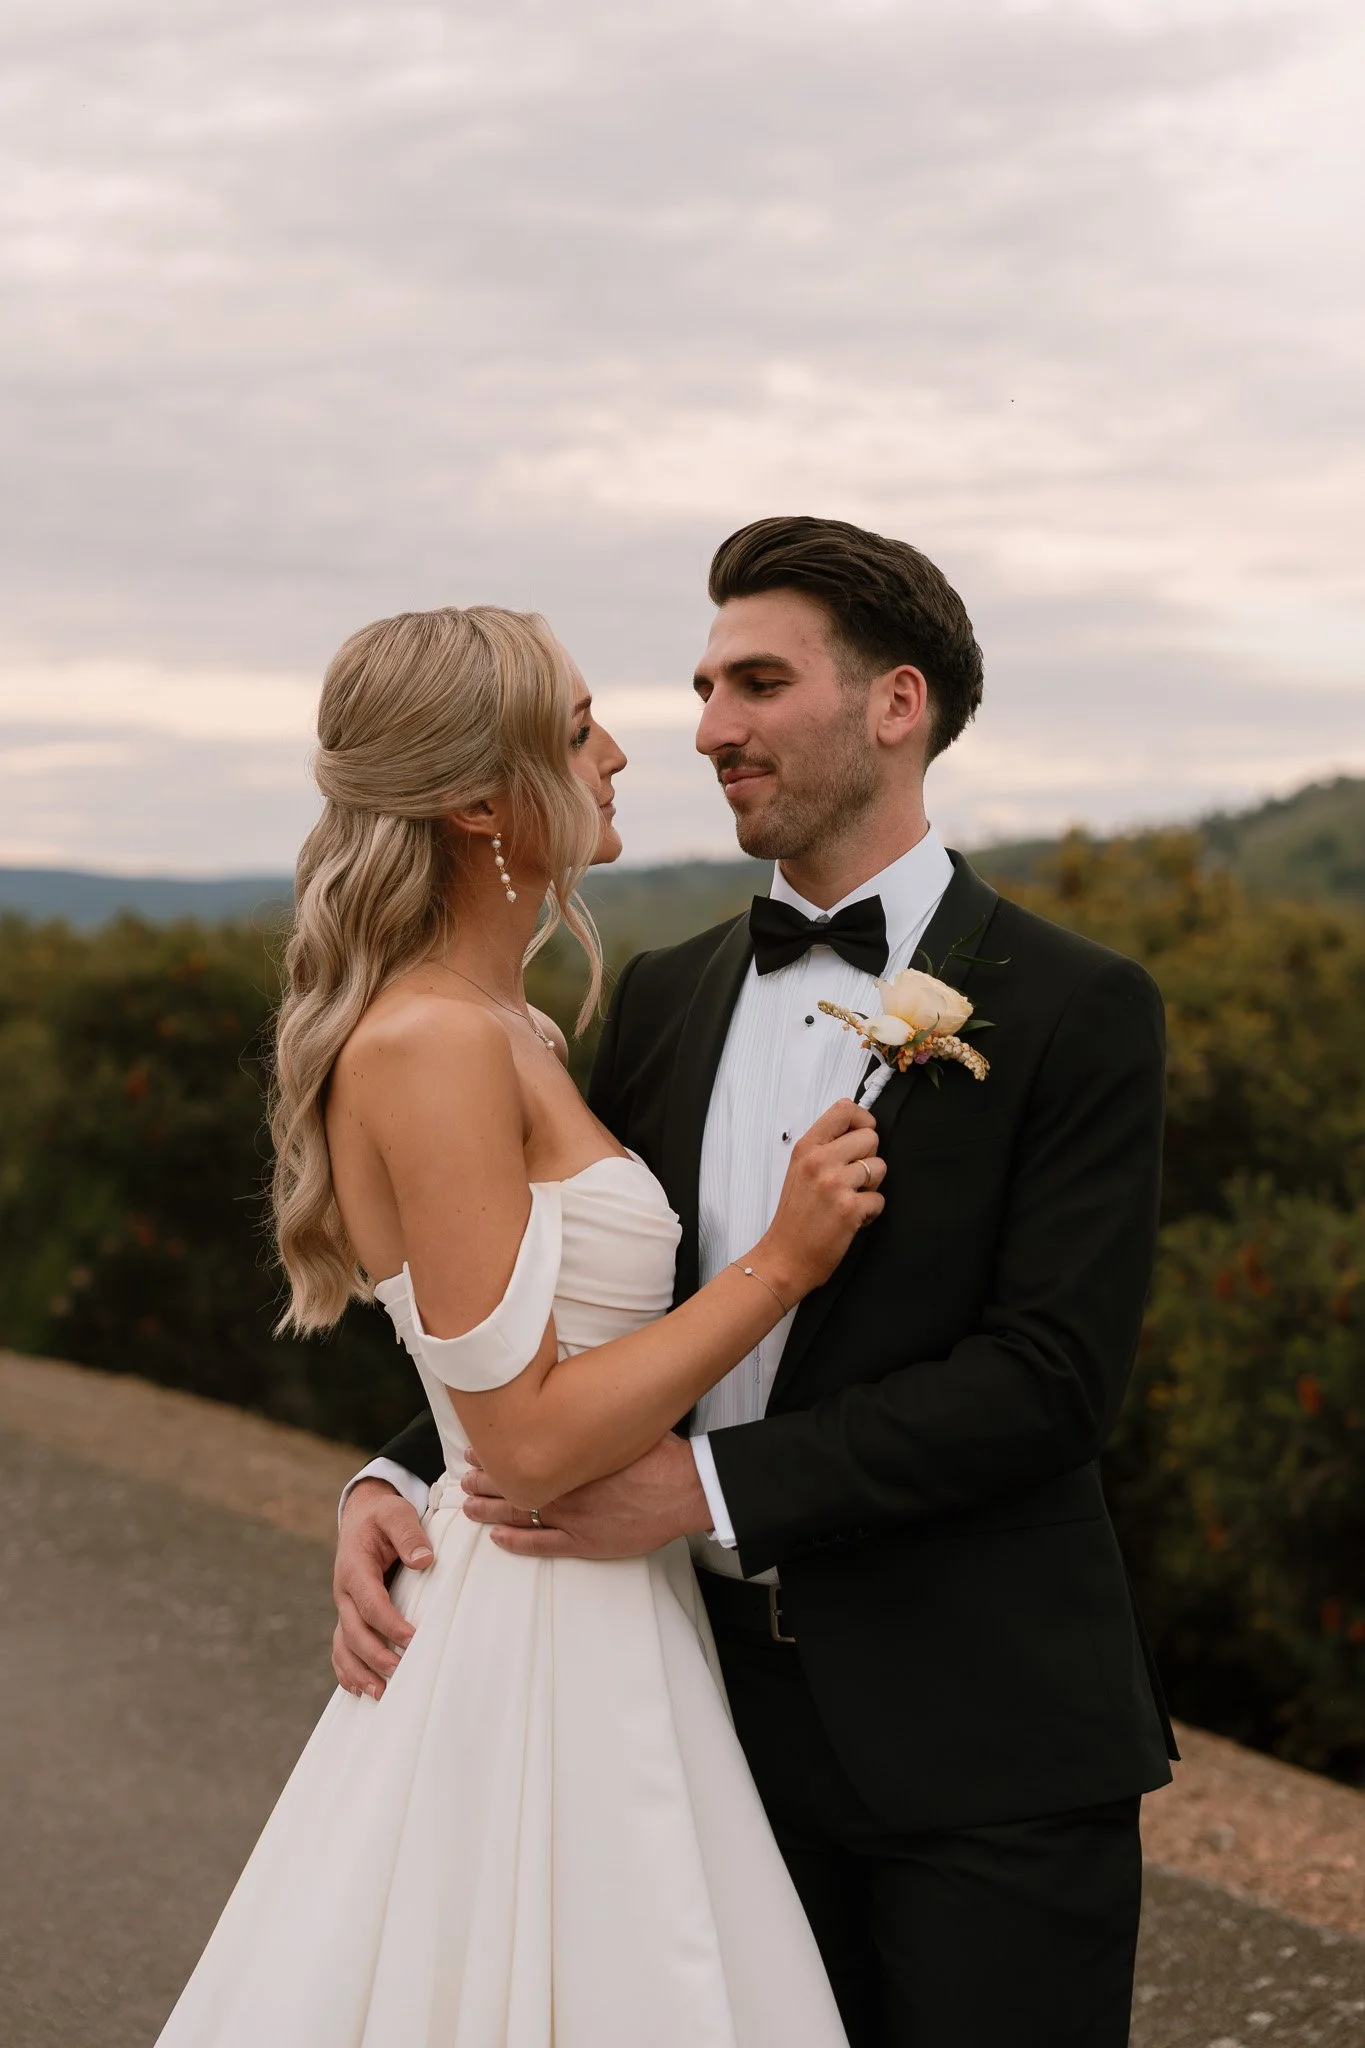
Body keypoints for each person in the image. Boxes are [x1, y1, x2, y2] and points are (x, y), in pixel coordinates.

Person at [337, 517, 1179, 2048]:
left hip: (983, 1750)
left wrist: (705, 1491)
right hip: (689, 1732)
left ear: (895, 704)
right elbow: (569, 1301)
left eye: (759, 683)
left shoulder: (1078, 1009)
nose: (710, 729)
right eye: (705, 685)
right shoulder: (664, 996)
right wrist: (403, 1478)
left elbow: (1049, 1382)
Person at [155, 603, 881, 2047]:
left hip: (617, 1612)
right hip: (538, 1628)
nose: (619, 752)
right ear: (482, 797)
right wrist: (781, 1269)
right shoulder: (430, 1046)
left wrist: (388, 1467)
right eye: (574, 727)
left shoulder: (516, 1030)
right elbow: (534, 1436)